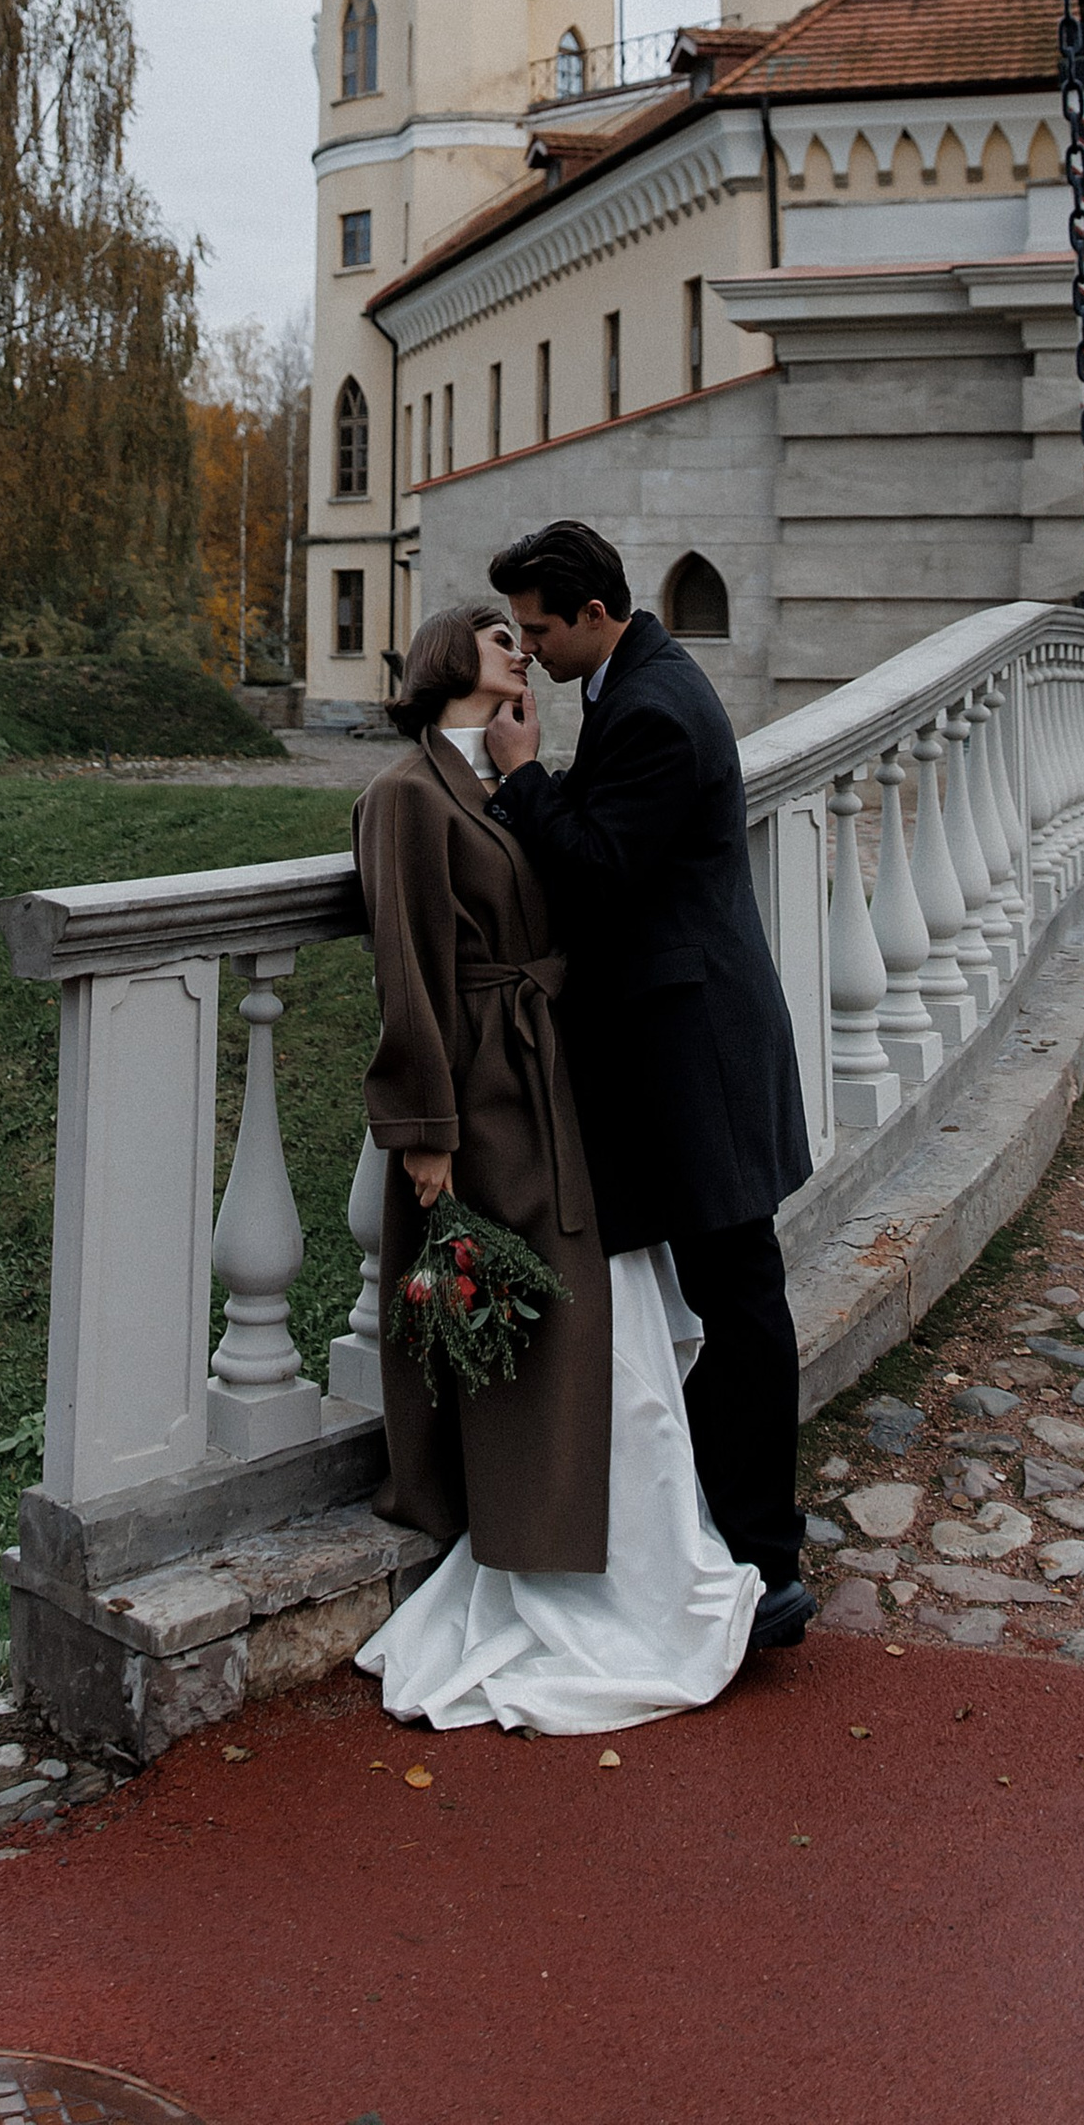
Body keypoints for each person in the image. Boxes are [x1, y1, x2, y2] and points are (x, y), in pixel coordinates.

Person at [350, 600, 761, 1732]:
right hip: (485, 1103)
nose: (519, 649)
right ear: (445, 659)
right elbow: (407, 969)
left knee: (610, 1333)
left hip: (563, 1089)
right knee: (542, 1335)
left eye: (525, 636)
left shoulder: (502, 781)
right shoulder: (401, 796)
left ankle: (641, 1571)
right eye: (497, 637)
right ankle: (551, 1561)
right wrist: (425, 1128)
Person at [480, 519, 815, 1650]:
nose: (525, 652)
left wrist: (523, 783)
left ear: (591, 613)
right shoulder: (639, 686)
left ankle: (764, 1561)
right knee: (729, 1290)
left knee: (738, 1294)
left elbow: (600, 872)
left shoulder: (657, 709)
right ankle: (740, 1540)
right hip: (688, 1036)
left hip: (697, 1047)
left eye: (536, 630)